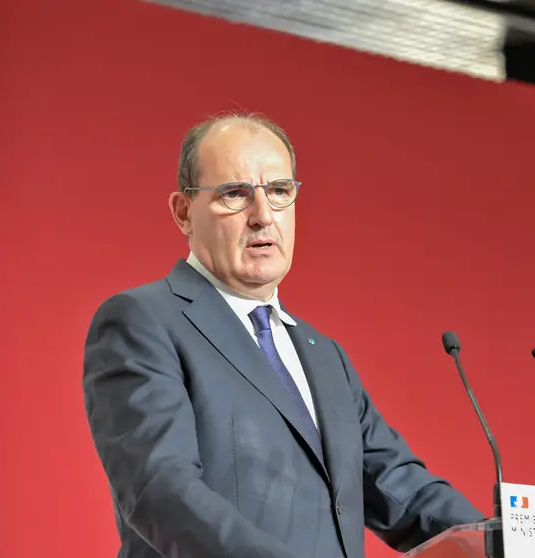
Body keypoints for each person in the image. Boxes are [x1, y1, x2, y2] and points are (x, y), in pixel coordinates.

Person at [82, 112, 484, 558]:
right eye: (235, 194)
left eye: (279, 191)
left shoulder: (324, 356)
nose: (262, 216)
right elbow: (161, 491)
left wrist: (503, 540)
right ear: (183, 212)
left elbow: (398, 489)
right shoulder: (143, 322)